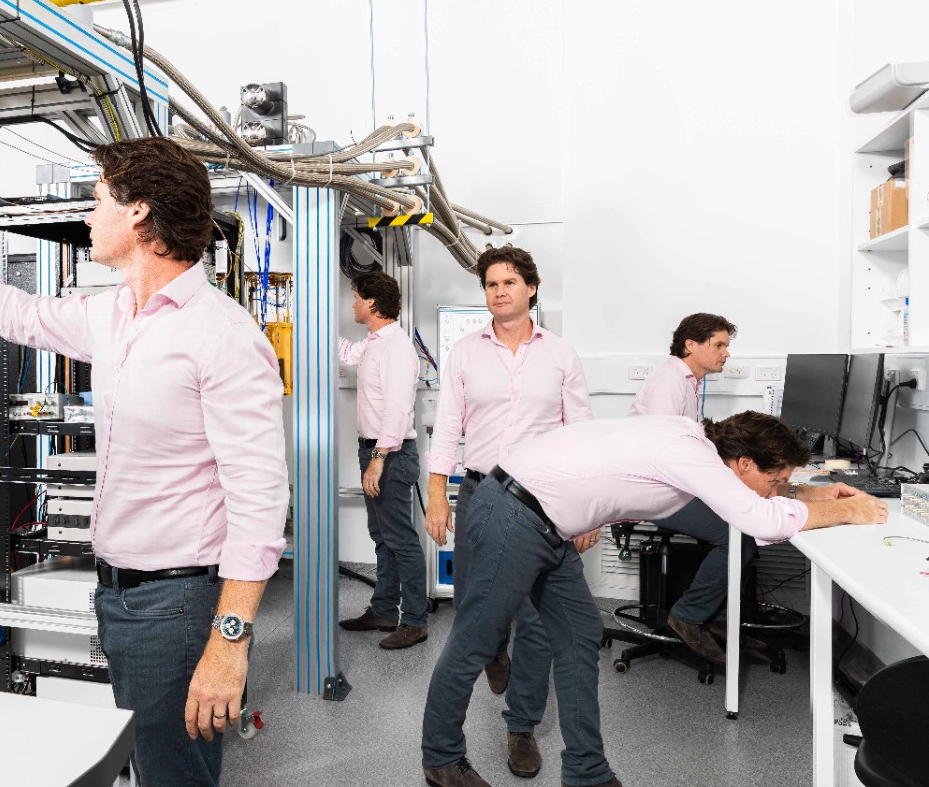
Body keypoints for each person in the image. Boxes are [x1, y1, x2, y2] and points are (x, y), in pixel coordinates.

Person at [0, 137, 289, 787]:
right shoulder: (114, 314)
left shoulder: (222, 335)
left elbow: (260, 503)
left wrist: (229, 643)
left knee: (177, 775)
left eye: (96, 200)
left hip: (179, 603)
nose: (88, 215)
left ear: (139, 212)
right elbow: (18, 312)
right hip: (117, 592)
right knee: (151, 764)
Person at [421, 411, 887, 787]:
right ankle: (441, 759)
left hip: (544, 522)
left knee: (581, 633)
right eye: (776, 480)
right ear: (744, 464)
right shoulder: (689, 454)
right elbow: (760, 520)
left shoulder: (700, 448)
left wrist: (808, 494)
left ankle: (586, 771)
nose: (777, 490)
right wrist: (849, 510)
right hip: (513, 514)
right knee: (476, 640)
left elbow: (745, 502)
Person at [424, 244, 592, 779]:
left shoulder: (560, 354)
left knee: (540, 626)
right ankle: (493, 655)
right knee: (478, 615)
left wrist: (589, 512)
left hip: (546, 504)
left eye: (510, 282)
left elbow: (580, 435)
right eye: (492, 284)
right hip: (481, 498)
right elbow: (448, 426)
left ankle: (521, 727)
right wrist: (435, 495)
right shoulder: (466, 354)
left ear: (531, 289)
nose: (499, 291)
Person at [630, 312, 754, 661]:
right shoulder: (670, 382)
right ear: (691, 345)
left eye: (726, 346)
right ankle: (688, 616)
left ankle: (715, 619)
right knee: (738, 535)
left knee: (741, 521)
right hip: (654, 491)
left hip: (671, 485)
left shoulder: (687, 381)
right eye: (719, 345)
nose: (726, 353)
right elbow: (662, 451)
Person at [337, 271, 428, 649]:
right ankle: (385, 609)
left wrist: (377, 459)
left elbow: (397, 412)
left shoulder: (397, 348)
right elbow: (344, 352)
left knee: (401, 540)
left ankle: (416, 621)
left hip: (388, 453)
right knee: (383, 537)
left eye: (356, 297)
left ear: (372, 303)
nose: (353, 304)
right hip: (373, 451)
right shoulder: (374, 343)